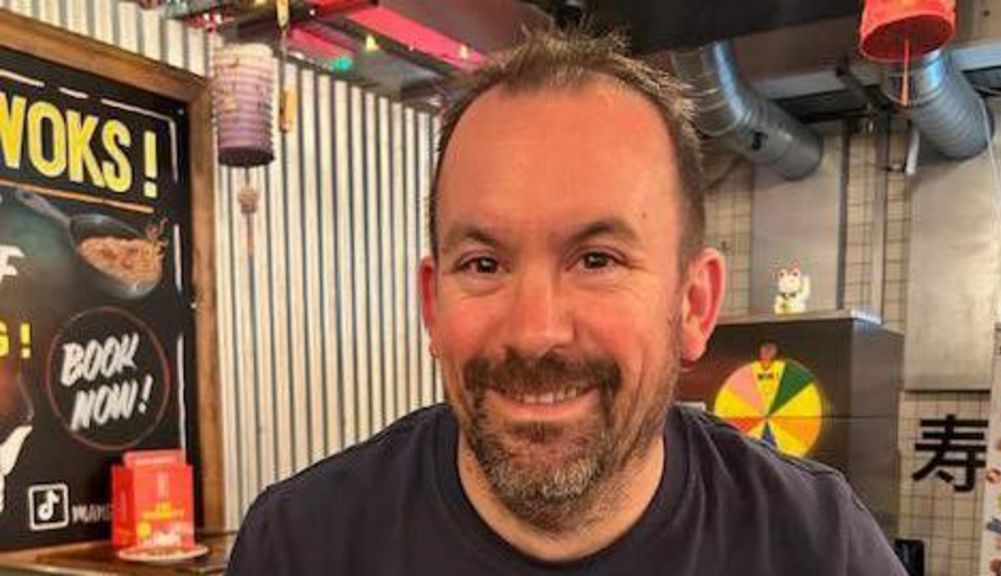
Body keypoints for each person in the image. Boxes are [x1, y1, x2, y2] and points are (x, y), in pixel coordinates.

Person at [227, 28, 906, 575]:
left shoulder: (814, 544)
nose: (535, 331)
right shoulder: (302, 544)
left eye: (597, 260)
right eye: (485, 263)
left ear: (694, 305)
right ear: (433, 307)